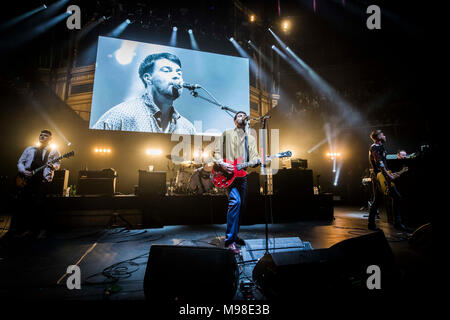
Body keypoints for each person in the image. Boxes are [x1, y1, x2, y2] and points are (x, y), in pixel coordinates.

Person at [92, 52, 196, 134]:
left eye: (179, 73)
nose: (176, 76)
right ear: (148, 78)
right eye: (166, 70)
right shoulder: (121, 115)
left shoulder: (187, 127)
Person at [213, 111, 260, 254]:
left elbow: (254, 157)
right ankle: (230, 241)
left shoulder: (250, 139)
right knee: (236, 202)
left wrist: (258, 161)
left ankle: (234, 235)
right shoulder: (227, 133)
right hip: (227, 176)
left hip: (242, 176)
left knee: (242, 207)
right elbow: (216, 152)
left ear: (247, 121)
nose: (242, 117)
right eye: (239, 115)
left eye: (244, 115)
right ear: (235, 121)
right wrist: (221, 163)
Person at [16, 129, 60, 239]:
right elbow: (20, 162)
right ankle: (28, 229)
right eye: (41, 135)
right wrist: (23, 171)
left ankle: (42, 230)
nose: (42, 136)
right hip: (28, 180)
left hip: (43, 181)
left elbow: (58, 164)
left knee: (41, 205)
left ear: (50, 139)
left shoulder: (54, 150)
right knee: (27, 205)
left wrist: (52, 166)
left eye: (45, 136)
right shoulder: (30, 149)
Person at [368, 130, 406, 231]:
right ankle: (396, 223)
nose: (385, 136)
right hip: (380, 176)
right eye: (383, 135)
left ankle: (372, 224)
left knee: (380, 200)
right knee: (393, 197)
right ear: (379, 137)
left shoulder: (380, 147)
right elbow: (380, 164)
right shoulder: (374, 147)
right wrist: (389, 175)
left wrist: (390, 173)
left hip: (383, 175)